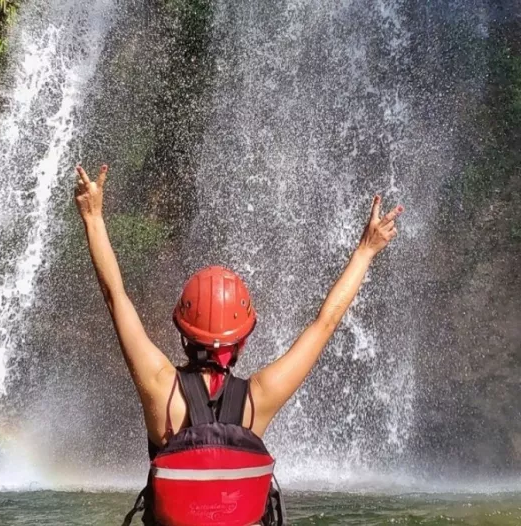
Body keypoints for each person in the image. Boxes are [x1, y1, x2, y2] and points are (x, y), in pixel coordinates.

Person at [75, 164, 402, 526]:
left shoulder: (159, 385)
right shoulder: (258, 398)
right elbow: (325, 324)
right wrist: (366, 251)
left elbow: (115, 297)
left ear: (184, 334)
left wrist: (93, 216)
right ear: (243, 340)